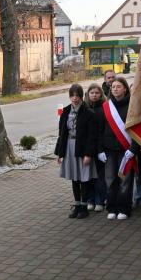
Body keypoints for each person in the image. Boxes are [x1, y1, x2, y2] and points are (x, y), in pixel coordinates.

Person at [96, 77, 138, 220]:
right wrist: (99, 150)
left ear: (125, 89)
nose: (115, 89)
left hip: (126, 150)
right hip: (109, 150)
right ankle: (112, 207)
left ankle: (124, 208)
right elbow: (99, 130)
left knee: (125, 180)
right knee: (110, 179)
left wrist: (133, 149)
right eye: (113, 87)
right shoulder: (105, 107)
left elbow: (137, 130)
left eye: (118, 87)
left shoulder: (132, 106)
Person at [55, 83, 97, 219]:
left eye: (77, 95)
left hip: (82, 147)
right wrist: (60, 153)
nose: (74, 98)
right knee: (74, 177)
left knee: (84, 178)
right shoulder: (66, 111)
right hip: (69, 146)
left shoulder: (88, 112)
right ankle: (77, 204)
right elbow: (62, 133)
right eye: (72, 95)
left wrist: (88, 154)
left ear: (81, 96)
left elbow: (92, 135)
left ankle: (84, 206)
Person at [85, 83, 107, 211]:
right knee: (88, 176)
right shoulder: (84, 108)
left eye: (97, 93)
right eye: (92, 93)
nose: (94, 95)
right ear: (88, 94)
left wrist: (100, 149)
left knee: (99, 176)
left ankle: (100, 200)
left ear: (101, 94)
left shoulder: (104, 108)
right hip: (88, 147)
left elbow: (102, 131)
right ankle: (90, 199)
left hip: (100, 147)